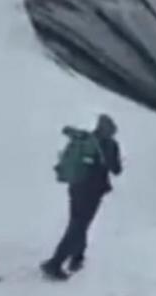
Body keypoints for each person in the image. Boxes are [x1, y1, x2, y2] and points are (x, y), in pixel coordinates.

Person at [41, 114, 122, 281]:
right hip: (92, 191)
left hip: (76, 186)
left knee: (78, 222)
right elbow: (116, 169)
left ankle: (77, 258)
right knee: (78, 226)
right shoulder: (109, 145)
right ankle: (55, 264)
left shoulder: (84, 139)